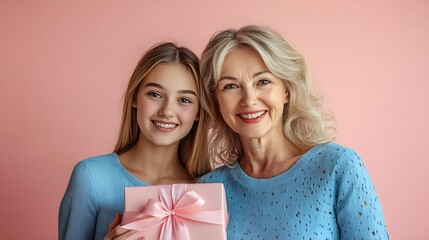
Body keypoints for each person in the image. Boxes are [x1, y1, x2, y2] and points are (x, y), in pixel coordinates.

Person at [197, 25, 389, 239]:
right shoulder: (206, 190)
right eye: (231, 86)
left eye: (263, 81)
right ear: (216, 101)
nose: (249, 99)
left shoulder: (339, 167)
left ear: (286, 91)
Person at [59, 42, 212, 240]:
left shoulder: (207, 190)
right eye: (155, 94)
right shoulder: (91, 177)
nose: (167, 111)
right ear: (134, 98)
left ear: (198, 112)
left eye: (184, 100)